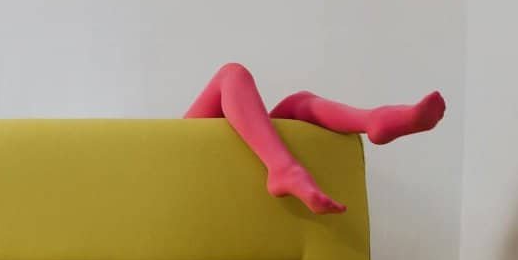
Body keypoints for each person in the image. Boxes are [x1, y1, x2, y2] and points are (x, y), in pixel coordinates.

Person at [184, 63, 446, 214]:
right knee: (232, 74)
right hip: (185, 168)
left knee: (298, 103)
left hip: (211, 164)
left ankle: (374, 120)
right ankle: (284, 168)